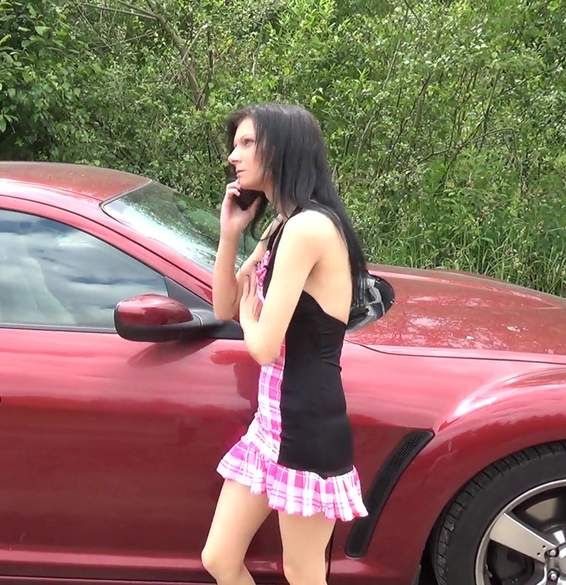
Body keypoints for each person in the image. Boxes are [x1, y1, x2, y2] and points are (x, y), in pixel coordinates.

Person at [203, 103, 370, 585]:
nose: (233, 155)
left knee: (301, 571)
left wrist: (250, 314)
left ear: (282, 149)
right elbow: (224, 305)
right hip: (271, 427)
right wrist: (230, 234)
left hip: (306, 428)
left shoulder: (308, 228)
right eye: (235, 143)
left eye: (247, 143)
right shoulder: (282, 225)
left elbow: (262, 345)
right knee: (220, 558)